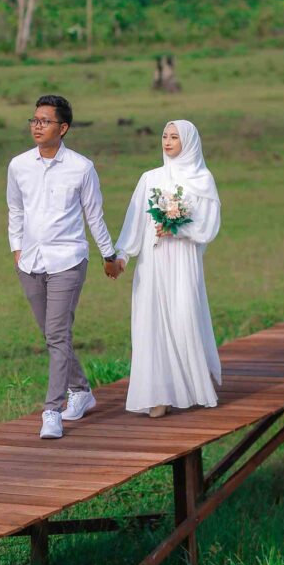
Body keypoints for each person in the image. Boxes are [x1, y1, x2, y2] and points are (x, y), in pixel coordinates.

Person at [7, 94, 121, 439]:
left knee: (57, 334)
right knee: (51, 334)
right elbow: (16, 209)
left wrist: (109, 256)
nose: (37, 126)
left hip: (68, 261)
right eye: (34, 120)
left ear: (63, 128)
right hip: (30, 261)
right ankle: (82, 390)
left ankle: (52, 411)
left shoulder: (81, 167)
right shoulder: (19, 165)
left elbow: (94, 215)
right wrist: (16, 248)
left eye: (45, 121)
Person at [113, 119, 221, 415]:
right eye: (164, 136)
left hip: (184, 261)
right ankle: (158, 395)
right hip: (153, 260)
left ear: (189, 142)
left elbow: (209, 224)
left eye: (174, 137)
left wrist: (178, 229)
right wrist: (123, 256)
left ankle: (192, 384)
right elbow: (136, 221)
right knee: (152, 321)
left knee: (184, 315)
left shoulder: (202, 179)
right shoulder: (150, 178)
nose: (168, 141)